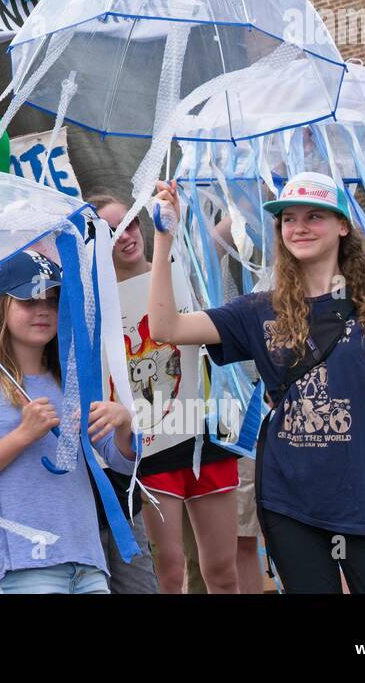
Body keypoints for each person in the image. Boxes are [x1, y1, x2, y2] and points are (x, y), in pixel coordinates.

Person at [147, 173, 365, 593]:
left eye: (314, 216)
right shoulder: (258, 311)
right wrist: (164, 239)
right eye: (288, 219)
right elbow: (166, 326)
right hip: (291, 503)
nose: (298, 227)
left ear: (342, 225)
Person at [0, 250, 137, 593]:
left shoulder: (76, 379)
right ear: (1, 308)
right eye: (28, 299)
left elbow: (121, 460)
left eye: (53, 298)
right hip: (21, 568)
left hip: (87, 559)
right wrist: (22, 436)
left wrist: (123, 426)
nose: (43, 309)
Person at [93, 195, 240, 594]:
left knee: (223, 571)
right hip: (150, 447)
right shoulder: (93, 304)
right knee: (169, 574)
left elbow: (224, 233)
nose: (127, 235)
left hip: (202, 428)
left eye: (131, 222)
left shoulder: (182, 268)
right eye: (111, 231)